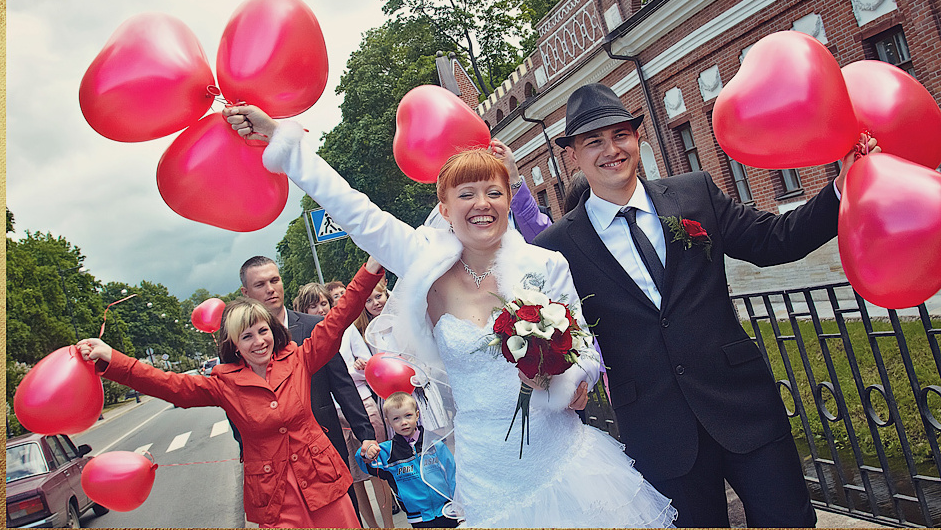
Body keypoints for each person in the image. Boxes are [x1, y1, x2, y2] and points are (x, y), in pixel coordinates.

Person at [225, 104, 676, 527]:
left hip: (562, 454)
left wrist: (577, 381)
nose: (483, 203)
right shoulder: (423, 263)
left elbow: (584, 349)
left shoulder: (544, 266)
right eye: (467, 194)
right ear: (445, 208)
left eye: (494, 192)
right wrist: (283, 141)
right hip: (488, 470)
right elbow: (353, 209)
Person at [533, 82, 878, 528]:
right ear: (573, 156)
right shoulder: (556, 248)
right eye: (593, 141)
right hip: (658, 430)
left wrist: (839, 188)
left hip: (742, 404)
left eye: (620, 134)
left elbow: (774, 240)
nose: (611, 149)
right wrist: (566, 380)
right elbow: (558, 332)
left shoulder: (694, 193)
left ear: (637, 138)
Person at [75, 259, 385, 528]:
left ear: (273, 332)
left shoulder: (299, 358)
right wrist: (112, 361)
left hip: (323, 485)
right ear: (234, 345)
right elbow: (168, 384)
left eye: (263, 331)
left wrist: (369, 270)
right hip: (275, 500)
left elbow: (339, 317)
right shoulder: (225, 383)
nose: (258, 341)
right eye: (246, 336)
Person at [240, 256, 378, 522]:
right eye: (260, 284)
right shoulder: (241, 343)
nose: (270, 289)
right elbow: (237, 403)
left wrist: (366, 434)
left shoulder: (312, 327)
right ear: (246, 293)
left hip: (326, 445)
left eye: (274, 280)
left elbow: (343, 385)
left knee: (346, 515)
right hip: (277, 463)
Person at [293, 280, 396, 527]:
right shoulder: (305, 340)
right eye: (313, 306)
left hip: (361, 405)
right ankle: (368, 524)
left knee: (376, 471)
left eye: (324, 303)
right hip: (331, 417)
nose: (320, 310)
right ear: (303, 312)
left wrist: (354, 369)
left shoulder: (348, 330)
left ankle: (389, 525)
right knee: (351, 477)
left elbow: (368, 365)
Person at [358, 392, 458, 528]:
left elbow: (452, 475)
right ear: (388, 422)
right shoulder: (388, 452)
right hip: (418, 518)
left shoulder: (435, 444)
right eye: (396, 419)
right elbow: (363, 462)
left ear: (417, 415)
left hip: (447, 510)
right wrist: (367, 452)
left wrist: (459, 503)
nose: (403, 422)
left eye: (408, 415)